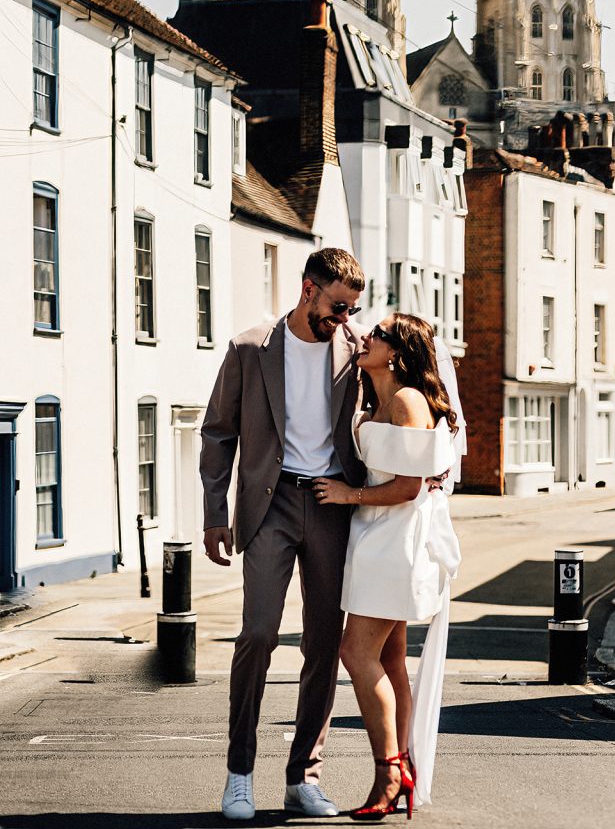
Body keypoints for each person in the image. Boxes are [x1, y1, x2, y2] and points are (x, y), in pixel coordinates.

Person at [200, 247, 368, 820]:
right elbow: (218, 434)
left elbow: (404, 401)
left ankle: (304, 776)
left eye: (351, 310)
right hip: (268, 507)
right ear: (307, 290)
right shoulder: (251, 348)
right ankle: (239, 772)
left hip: (331, 506)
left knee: (324, 644)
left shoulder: (357, 352)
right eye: (337, 307)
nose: (344, 319)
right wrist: (214, 514)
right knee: (258, 634)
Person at [312, 314, 461, 819]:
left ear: (397, 352)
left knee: (355, 653)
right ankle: (403, 767)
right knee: (390, 658)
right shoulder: (377, 399)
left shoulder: (406, 401)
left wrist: (345, 494)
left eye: (377, 334)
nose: (365, 337)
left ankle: (390, 769)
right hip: (375, 534)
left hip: (396, 538)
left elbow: (409, 485)